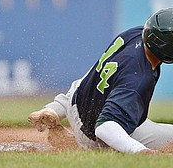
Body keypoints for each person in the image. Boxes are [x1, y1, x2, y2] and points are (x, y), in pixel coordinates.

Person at [29, 8, 173, 154]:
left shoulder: (135, 34)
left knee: (94, 75)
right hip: (96, 136)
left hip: (77, 99)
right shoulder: (138, 80)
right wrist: (140, 151)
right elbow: (104, 128)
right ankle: (81, 143)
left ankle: (56, 107)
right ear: (166, 48)